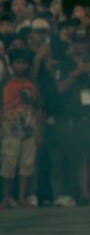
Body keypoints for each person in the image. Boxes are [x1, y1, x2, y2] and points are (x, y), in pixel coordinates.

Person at [52, 30, 90, 205]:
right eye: (77, 42)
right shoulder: (64, 65)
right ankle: (70, 193)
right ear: (72, 44)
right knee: (71, 156)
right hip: (70, 116)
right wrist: (76, 73)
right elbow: (58, 89)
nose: (81, 46)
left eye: (84, 42)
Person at [1, 49, 40, 207]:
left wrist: (39, 131)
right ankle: (6, 197)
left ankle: (22, 197)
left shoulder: (32, 84)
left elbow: (38, 108)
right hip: (10, 126)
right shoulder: (5, 84)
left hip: (29, 126)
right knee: (9, 161)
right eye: (18, 62)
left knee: (27, 163)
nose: (21, 66)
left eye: (24, 63)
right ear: (11, 65)